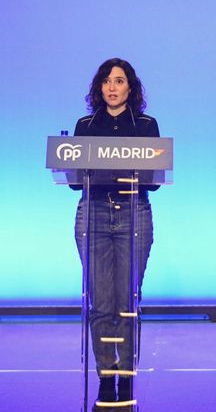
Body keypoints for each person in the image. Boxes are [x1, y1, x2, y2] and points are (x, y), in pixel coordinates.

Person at [73, 58, 159, 405]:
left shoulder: (146, 126)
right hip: (93, 213)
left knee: (127, 300)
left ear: (130, 88)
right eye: (107, 81)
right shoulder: (85, 126)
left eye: (119, 81)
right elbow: (73, 180)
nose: (112, 87)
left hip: (133, 213)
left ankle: (127, 373)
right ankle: (106, 375)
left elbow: (153, 180)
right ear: (99, 87)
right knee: (101, 302)